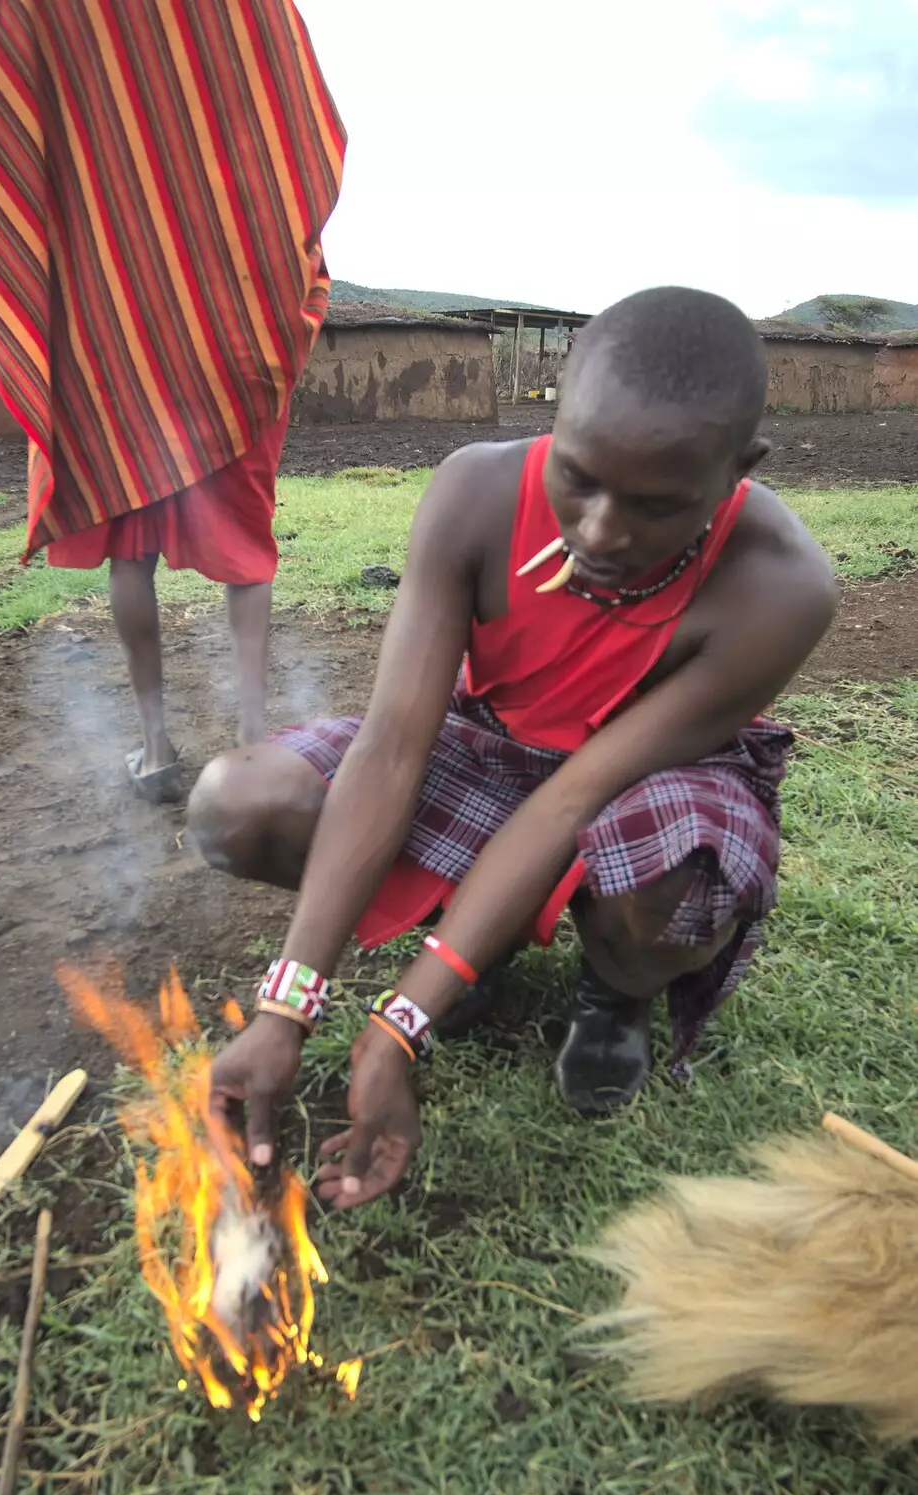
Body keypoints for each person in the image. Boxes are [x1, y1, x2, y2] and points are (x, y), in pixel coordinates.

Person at [187, 285, 840, 1208]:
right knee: (241, 803)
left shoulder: (781, 589)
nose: (601, 530)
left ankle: (614, 993)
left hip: (638, 772)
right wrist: (285, 1005)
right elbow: (392, 745)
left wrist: (396, 1027)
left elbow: (576, 798)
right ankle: (472, 956)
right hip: (487, 738)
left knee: (668, 892)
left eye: (657, 506)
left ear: (739, 470)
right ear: (551, 418)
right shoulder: (477, 493)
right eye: (577, 478)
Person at [0, 0, 345, 794]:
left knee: (133, 552)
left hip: (112, 342)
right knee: (245, 549)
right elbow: (302, 129)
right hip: (233, 329)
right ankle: (253, 740)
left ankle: (157, 748)